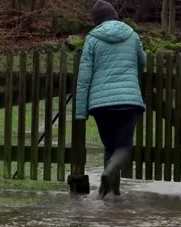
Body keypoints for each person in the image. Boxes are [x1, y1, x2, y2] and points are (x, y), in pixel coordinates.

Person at [75, 0, 146, 198]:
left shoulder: (92, 39)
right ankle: (108, 175)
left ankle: (111, 194)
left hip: (101, 105)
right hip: (128, 102)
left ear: (96, 21)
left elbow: (84, 77)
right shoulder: (132, 35)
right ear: (114, 15)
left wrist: (81, 111)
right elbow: (143, 61)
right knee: (123, 148)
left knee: (110, 147)